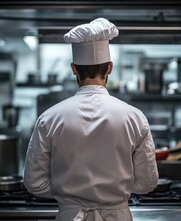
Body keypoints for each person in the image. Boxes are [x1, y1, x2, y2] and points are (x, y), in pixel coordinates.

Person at [23, 18, 159, 221]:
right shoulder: (135, 117)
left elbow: (34, 183)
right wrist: (113, 191)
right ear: (110, 68)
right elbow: (147, 183)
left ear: (74, 69)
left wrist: (68, 194)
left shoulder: (49, 118)